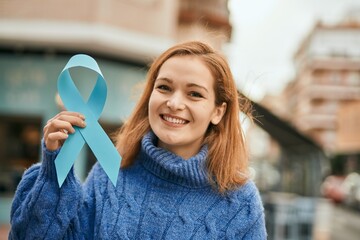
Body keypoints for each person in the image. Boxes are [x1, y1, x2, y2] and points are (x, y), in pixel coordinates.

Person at [9, 41, 267, 239]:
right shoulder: (110, 175)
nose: (174, 103)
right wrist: (55, 173)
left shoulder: (240, 204)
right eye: (164, 87)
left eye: (194, 94)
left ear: (218, 111)